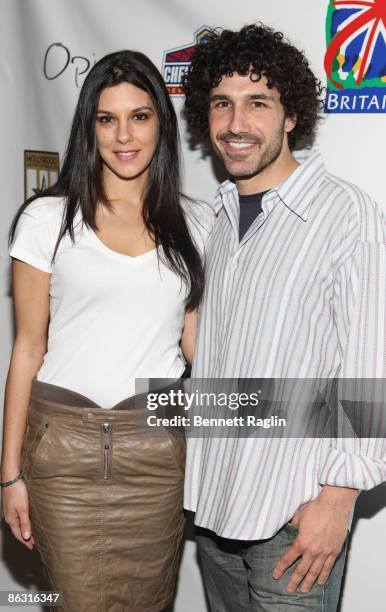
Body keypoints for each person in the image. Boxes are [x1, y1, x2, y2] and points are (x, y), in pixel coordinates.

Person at [182, 23, 386, 611]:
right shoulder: (215, 219)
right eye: (222, 104)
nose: (236, 124)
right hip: (214, 506)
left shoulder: (346, 214)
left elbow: (371, 363)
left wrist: (338, 498)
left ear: (290, 114)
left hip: (293, 520)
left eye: (257, 103)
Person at [1, 50, 212, 612]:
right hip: (62, 454)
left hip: (157, 454)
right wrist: (9, 476)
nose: (124, 134)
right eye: (107, 118)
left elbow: (197, 348)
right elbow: (27, 349)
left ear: (161, 126)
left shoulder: (195, 223)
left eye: (140, 116)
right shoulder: (46, 219)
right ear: (88, 127)